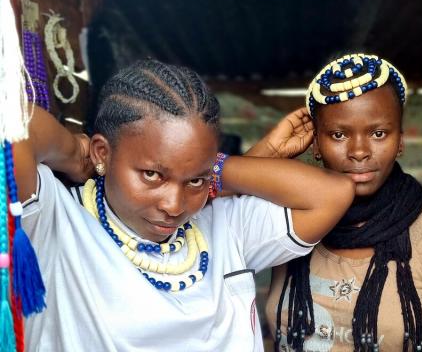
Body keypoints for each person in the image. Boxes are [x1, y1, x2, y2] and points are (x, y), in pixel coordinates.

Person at [12, 59, 355, 351]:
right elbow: (13, 124)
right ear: (103, 152)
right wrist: (76, 155)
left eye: (194, 180)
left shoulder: (224, 226)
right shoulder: (58, 222)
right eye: (151, 175)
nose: (174, 206)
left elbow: (332, 194)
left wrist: (218, 167)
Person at [257, 53, 422, 351]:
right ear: (317, 144)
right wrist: (268, 150)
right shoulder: (286, 222)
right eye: (338, 134)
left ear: (400, 141)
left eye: (378, 133)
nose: (359, 151)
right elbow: (205, 208)